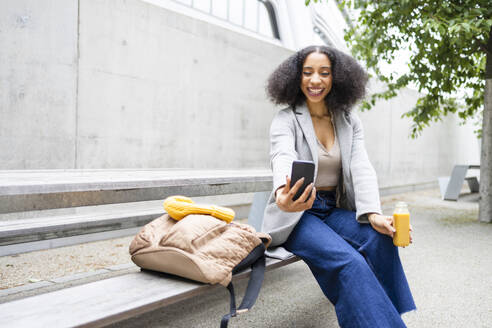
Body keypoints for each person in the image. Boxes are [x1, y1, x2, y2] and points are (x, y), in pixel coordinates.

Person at [261, 45, 416, 328]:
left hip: (332, 209)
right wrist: (284, 195)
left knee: (380, 238)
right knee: (349, 263)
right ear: (296, 77)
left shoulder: (348, 120)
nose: (315, 80)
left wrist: (374, 215)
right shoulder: (286, 119)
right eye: (307, 73)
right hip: (298, 215)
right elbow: (282, 155)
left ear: (336, 78)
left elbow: (361, 166)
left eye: (324, 73)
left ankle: (386, 319)